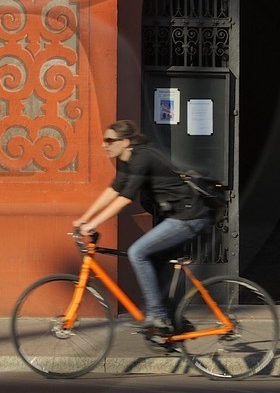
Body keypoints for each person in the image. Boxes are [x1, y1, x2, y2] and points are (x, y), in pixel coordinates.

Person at [72, 119, 214, 334]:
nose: (104, 144)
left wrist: (93, 223)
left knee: (137, 252)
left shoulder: (143, 157)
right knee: (155, 266)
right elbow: (114, 190)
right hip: (177, 217)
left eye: (109, 140)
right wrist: (85, 218)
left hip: (188, 217)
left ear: (125, 141)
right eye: (104, 140)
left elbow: (126, 198)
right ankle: (173, 325)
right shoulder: (128, 161)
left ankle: (156, 315)